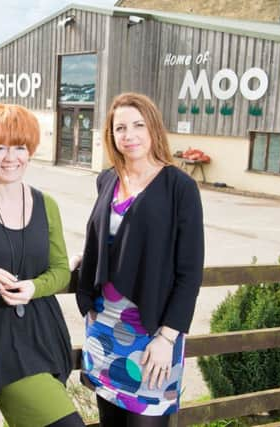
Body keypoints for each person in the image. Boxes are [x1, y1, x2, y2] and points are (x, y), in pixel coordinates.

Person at [0, 104, 85, 427]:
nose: (11, 157)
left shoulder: (46, 204)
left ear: (30, 151)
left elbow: (61, 270)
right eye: (0, 147)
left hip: (45, 334)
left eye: (20, 147)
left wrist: (35, 287)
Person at [76, 92, 204, 426]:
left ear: (153, 129)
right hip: (103, 329)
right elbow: (116, 237)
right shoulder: (107, 179)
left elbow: (190, 272)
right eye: (120, 128)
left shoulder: (180, 187)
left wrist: (166, 338)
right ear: (111, 134)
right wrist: (91, 256)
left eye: (138, 125)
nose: (129, 135)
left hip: (151, 334)